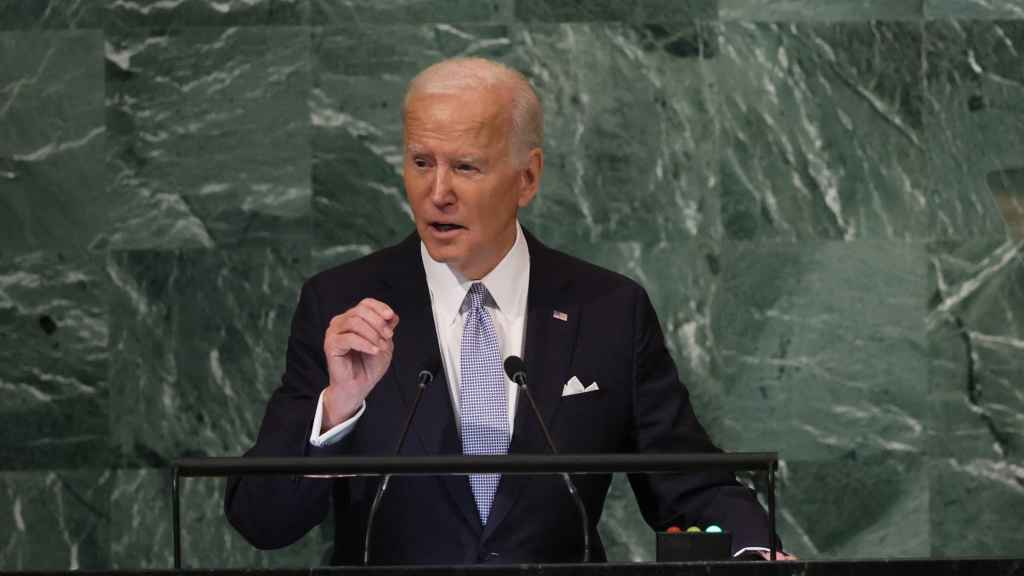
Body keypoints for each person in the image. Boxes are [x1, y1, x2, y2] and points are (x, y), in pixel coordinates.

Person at [225, 57, 789, 564]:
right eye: (421, 162)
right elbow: (261, 520)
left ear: (528, 177)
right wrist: (338, 406)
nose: (437, 191)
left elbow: (691, 484)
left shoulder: (608, 311)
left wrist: (754, 552)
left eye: (465, 167)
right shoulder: (342, 305)